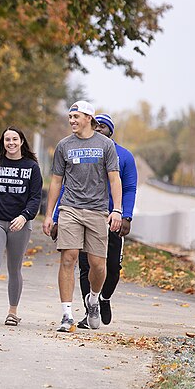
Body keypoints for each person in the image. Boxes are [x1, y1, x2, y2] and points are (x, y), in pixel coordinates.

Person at [42, 101, 123, 332]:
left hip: (98, 210)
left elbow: (114, 178)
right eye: (70, 117)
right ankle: (66, 314)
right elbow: (56, 181)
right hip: (70, 208)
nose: (72, 121)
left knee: (98, 265)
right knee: (69, 258)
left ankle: (93, 299)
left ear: (89, 118)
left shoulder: (106, 145)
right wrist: (49, 215)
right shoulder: (64, 146)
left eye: (76, 117)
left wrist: (117, 209)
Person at [0, 127, 42, 326]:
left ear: (21, 142)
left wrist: (25, 216)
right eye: (7, 140)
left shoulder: (31, 167)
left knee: (14, 267)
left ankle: (12, 312)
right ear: (2, 143)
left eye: (14, 139)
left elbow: (35, 198)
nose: (10, 143)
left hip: (19, 223)